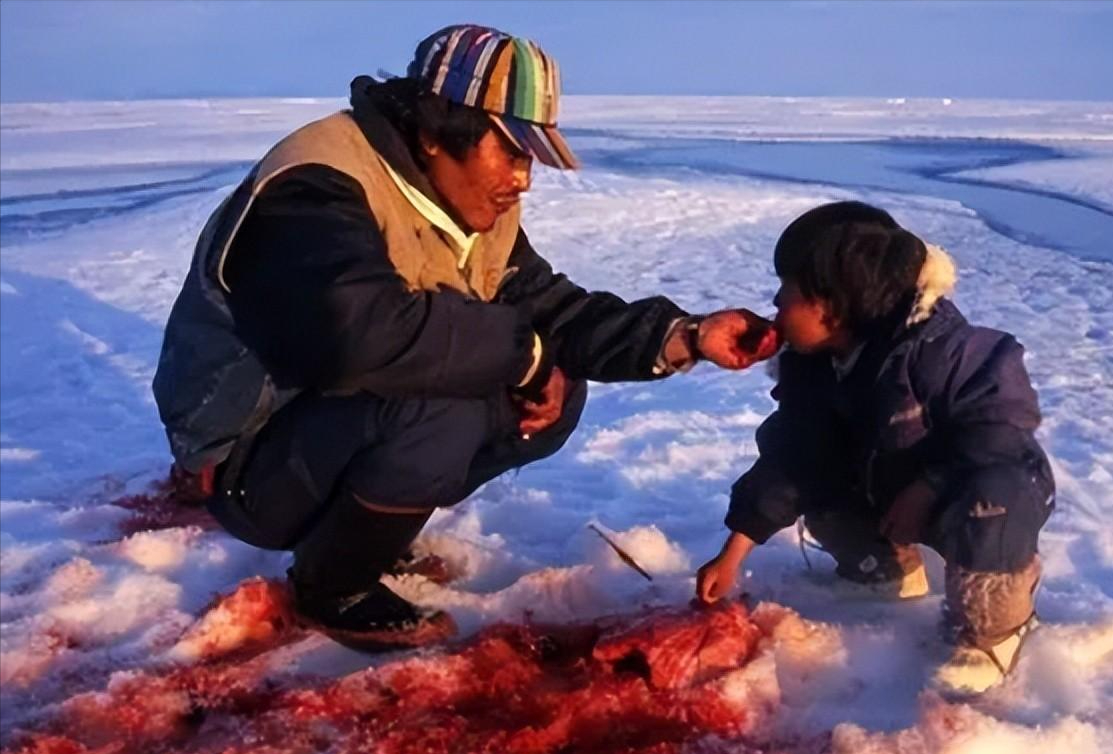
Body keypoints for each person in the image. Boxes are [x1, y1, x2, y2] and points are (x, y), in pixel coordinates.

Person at [153, 25, 777, 649]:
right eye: (510, 152)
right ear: (433, 133)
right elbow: (359, 338)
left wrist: (685, 337)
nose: (523, 179)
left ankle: (364, 533)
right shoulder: (317, 186)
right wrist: (522, 355)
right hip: (247, 464)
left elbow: (548, 309)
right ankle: (330, 584)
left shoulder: (469, 207)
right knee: (442, 403)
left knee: (552, 384)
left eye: (529, 157)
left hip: (323, 435)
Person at [694, 201, 1055, 695]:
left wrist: (930, 485)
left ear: (833, 305)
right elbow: (792, 458)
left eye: (788, 291)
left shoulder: (944, 351)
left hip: (973, 490)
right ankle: (884, 567)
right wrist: (734, 550)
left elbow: (1002, 431)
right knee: (815, 472)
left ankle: (995, 629)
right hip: (887, 483)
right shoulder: (816, 366)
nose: (775, 303)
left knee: (995, 493)